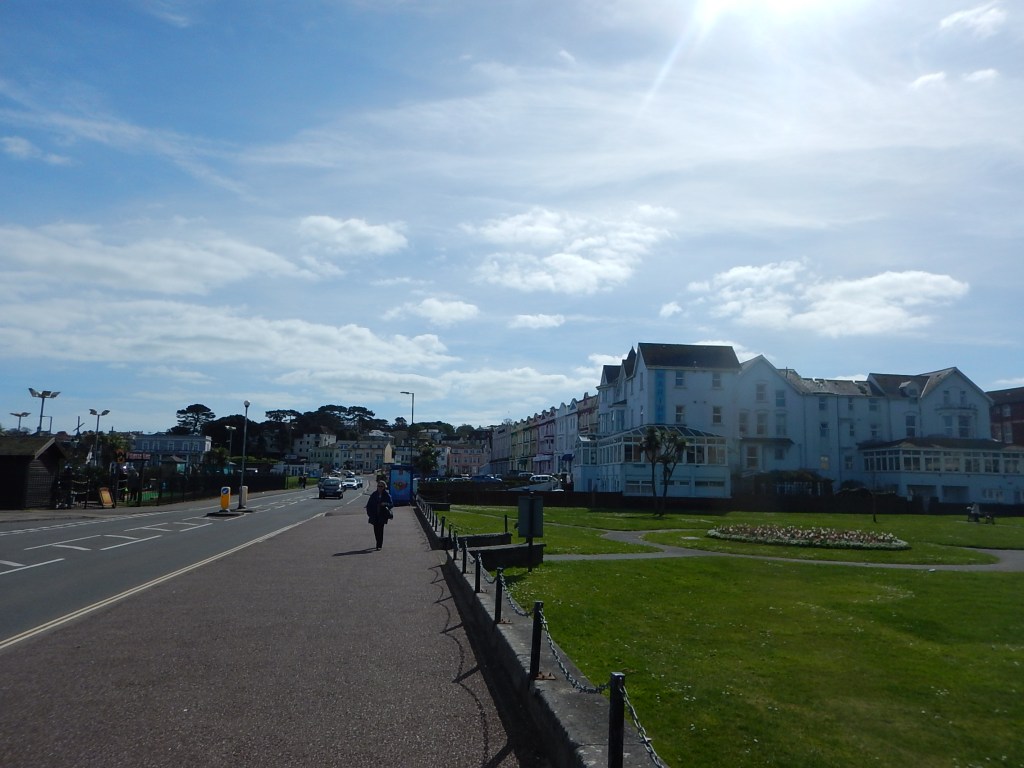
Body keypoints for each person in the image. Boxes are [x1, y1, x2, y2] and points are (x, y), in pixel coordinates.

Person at [366, 480, 394, 550]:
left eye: (381, 486)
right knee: (376, 530)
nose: (380, 488)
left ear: (384, 487)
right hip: (374, 515)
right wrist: (369, 514)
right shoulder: (374, 494)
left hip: (382, 515)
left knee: (380, 530)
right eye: (378, 486)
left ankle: (379, 545)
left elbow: (391, 504)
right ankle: (378, 542)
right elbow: (369, 505)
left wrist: (385, 504)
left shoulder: (387, 495)